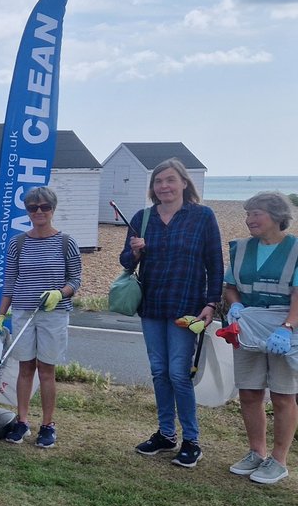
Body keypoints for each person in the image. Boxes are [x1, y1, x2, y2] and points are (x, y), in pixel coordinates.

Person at [121, 158, 222, 468]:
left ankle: (191, 440)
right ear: (153, 188)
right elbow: (126, 262)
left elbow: (215, 264)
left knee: (179, 374)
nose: (164, 185)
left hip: (187, 307)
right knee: (159, 372)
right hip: (151, 305)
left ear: (183, 183)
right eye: (158, 181)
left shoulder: (202, 216)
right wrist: (135, 251)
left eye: (170, 180)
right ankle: (166, 434)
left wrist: (211, 302)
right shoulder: (143, 217)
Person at [0, 186, 80, 447]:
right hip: (22, 312)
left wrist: (59, 293)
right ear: (27, 211)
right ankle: (22, 421)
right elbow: (10, 281)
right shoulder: (17, 243)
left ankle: (48, 425)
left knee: (47, 370)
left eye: (44, 207)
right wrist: (0, 315)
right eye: (32, 207)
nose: (39, 212)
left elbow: (75, 280)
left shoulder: (66, 242)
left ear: (53, 209)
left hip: (54, 314)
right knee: (25, 367)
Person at [222, 191, 297, 484]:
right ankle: (256, 452)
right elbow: (230, 285)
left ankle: (278, 460)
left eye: (256, 213)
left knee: (283, 395)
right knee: (250, 392)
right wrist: (236, 304)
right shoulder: (241, 248)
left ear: (278, 216)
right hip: (249, 325)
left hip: (284, 327)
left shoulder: (295, 249)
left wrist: (288, 327)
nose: (249, 219)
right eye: (247, 213)